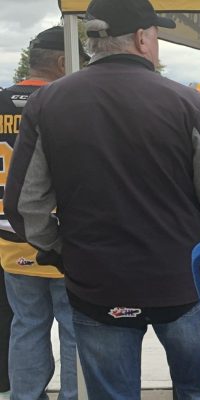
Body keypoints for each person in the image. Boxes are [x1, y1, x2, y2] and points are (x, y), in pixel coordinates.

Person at [4, 0, 200, 398]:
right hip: (179, 279)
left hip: (97, 280)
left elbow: (25, 205)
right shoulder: (185, 101)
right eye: (157, 35)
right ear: (143, 38)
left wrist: (61, 250)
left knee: (111, 394)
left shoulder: (49, 103)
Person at [0, 25, 89, 400]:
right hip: (59, 236)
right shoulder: (69, 101)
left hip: (8, 238)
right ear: (63, 61)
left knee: (27, 325)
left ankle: (25, 396)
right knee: (73, 328)